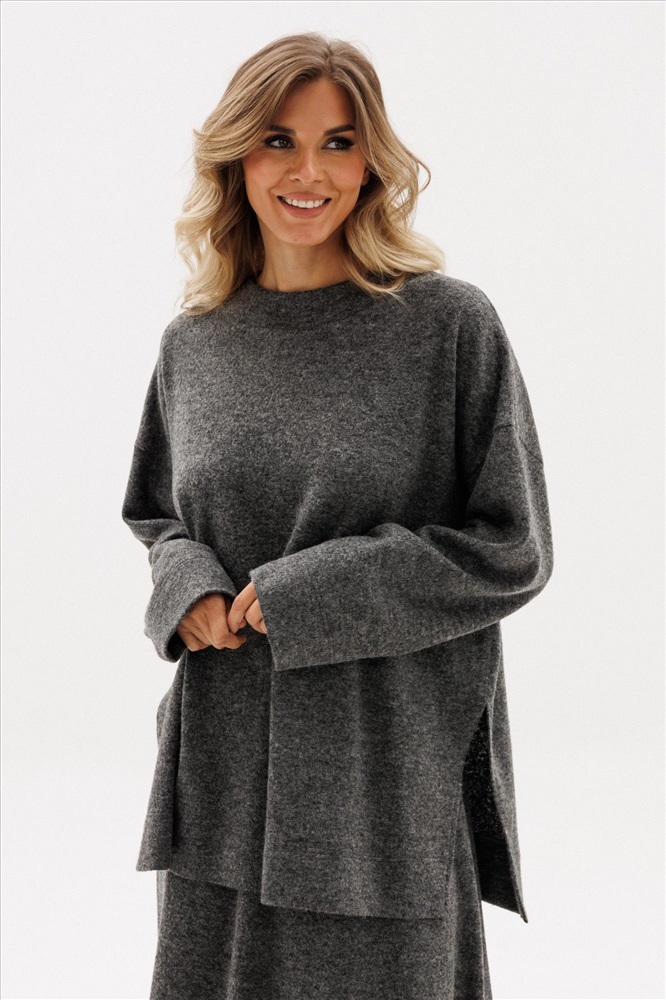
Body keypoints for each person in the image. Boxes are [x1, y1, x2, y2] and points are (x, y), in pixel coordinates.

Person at [121, 30, 554, 1000]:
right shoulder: (197, 341)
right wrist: (189, 585)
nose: (308, 171)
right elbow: (156, 512)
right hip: (222, 761)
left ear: (372, 163)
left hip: (379, 770)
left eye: (339, 142)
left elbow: (512, 546)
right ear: (236, 158)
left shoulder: (448, 326)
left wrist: (312, 591)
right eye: (278, 140)